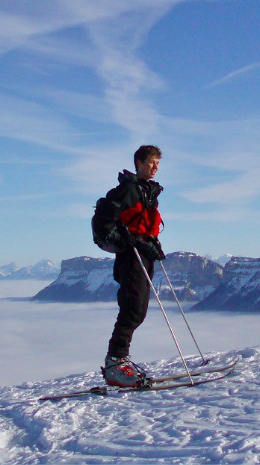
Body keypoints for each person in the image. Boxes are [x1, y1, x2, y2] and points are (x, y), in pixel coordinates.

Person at [96, 145, 166, 387]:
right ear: (138, 162)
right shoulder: (128, 190)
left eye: (157, 163)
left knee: (138, 309)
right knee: (133, 308)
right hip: (130, 255)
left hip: (142, 252)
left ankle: (119, 361)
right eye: (150, 163)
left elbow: (141, 222)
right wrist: (131, 240)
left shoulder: (147, 191)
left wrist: (151, 242)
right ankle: (115, 363)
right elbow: (112, 223)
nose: (155, 167)